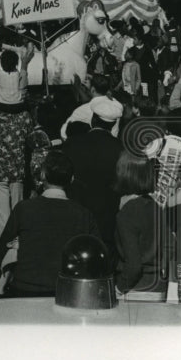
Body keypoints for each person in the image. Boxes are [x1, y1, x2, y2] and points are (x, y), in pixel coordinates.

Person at [0, 151, 100, 297]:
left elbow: (1, 249)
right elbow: (95, 256)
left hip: (25, 288)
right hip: (68, 290)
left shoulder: (24, 208)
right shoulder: (83, 214)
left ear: (43, 176)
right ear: (72, 179)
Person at [0, 46, 35, 243]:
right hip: (17, 171)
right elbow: (24, 82)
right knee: (18, 214)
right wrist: (26, 63)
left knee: (2, 219)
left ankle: (3, 257)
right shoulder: (24, 118)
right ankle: (19, 248)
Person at [62, 97, 124, 258]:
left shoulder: (73, 144)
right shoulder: (120, 149)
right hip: (107, 215)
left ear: (93, 119)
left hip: (76, 212)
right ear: (113, 124)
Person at [113, 149, 168, 301]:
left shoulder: (128, 211)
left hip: (134, 289)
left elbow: (134, 264)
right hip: (158, 286)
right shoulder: (155, 206)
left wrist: (118, 289)